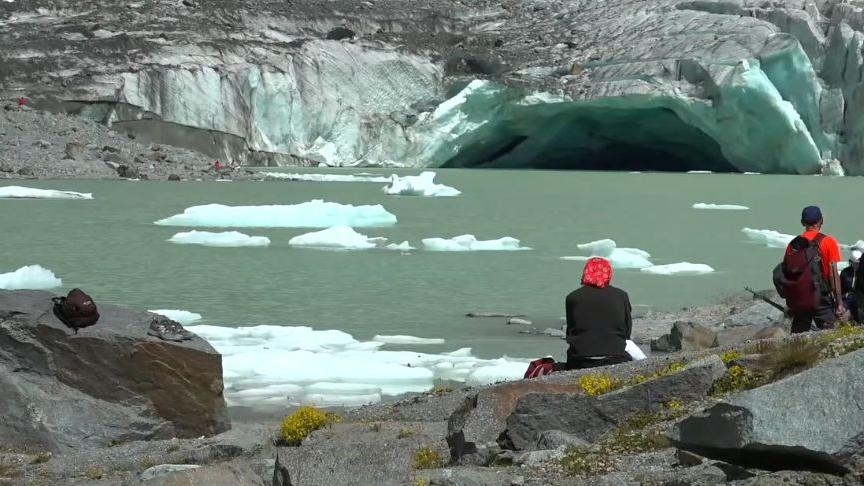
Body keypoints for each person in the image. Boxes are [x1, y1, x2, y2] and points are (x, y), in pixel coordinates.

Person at [784, 206, 845, 333]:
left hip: (800, 298)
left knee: (798, 336)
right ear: (821, 220)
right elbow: (833, 275)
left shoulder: (793, 244)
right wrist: (839, 303)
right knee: (831, 333)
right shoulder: (828, 241)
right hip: (821, 297)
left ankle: (795, 352)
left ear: (802, 222)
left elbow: (787, 271)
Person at [564, 257, 633, 369]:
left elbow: (570, 331)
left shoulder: (572, 297)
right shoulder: (621, 296)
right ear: (608, 273)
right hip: (615, 357)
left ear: (586, 272)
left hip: (580, 360)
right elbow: (627, 331)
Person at [840, 247, 864, 323]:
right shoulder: (845, 272)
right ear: (851, 262)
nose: (857, 265)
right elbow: (841, 289)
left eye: (859, 263)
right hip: (847, 298)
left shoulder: (861, 273)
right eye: (856, 263)